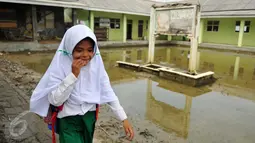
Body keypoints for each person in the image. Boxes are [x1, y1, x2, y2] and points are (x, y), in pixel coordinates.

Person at [30, 25, 134, 143]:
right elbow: (55, 100)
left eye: (90, 50)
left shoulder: (96, 66)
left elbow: (108, 92)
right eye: (79, 50)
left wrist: (123, 118)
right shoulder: (59, 67)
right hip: (68, 119)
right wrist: (73, 75)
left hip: (89, 117)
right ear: (69, 48)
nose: (85, 55)